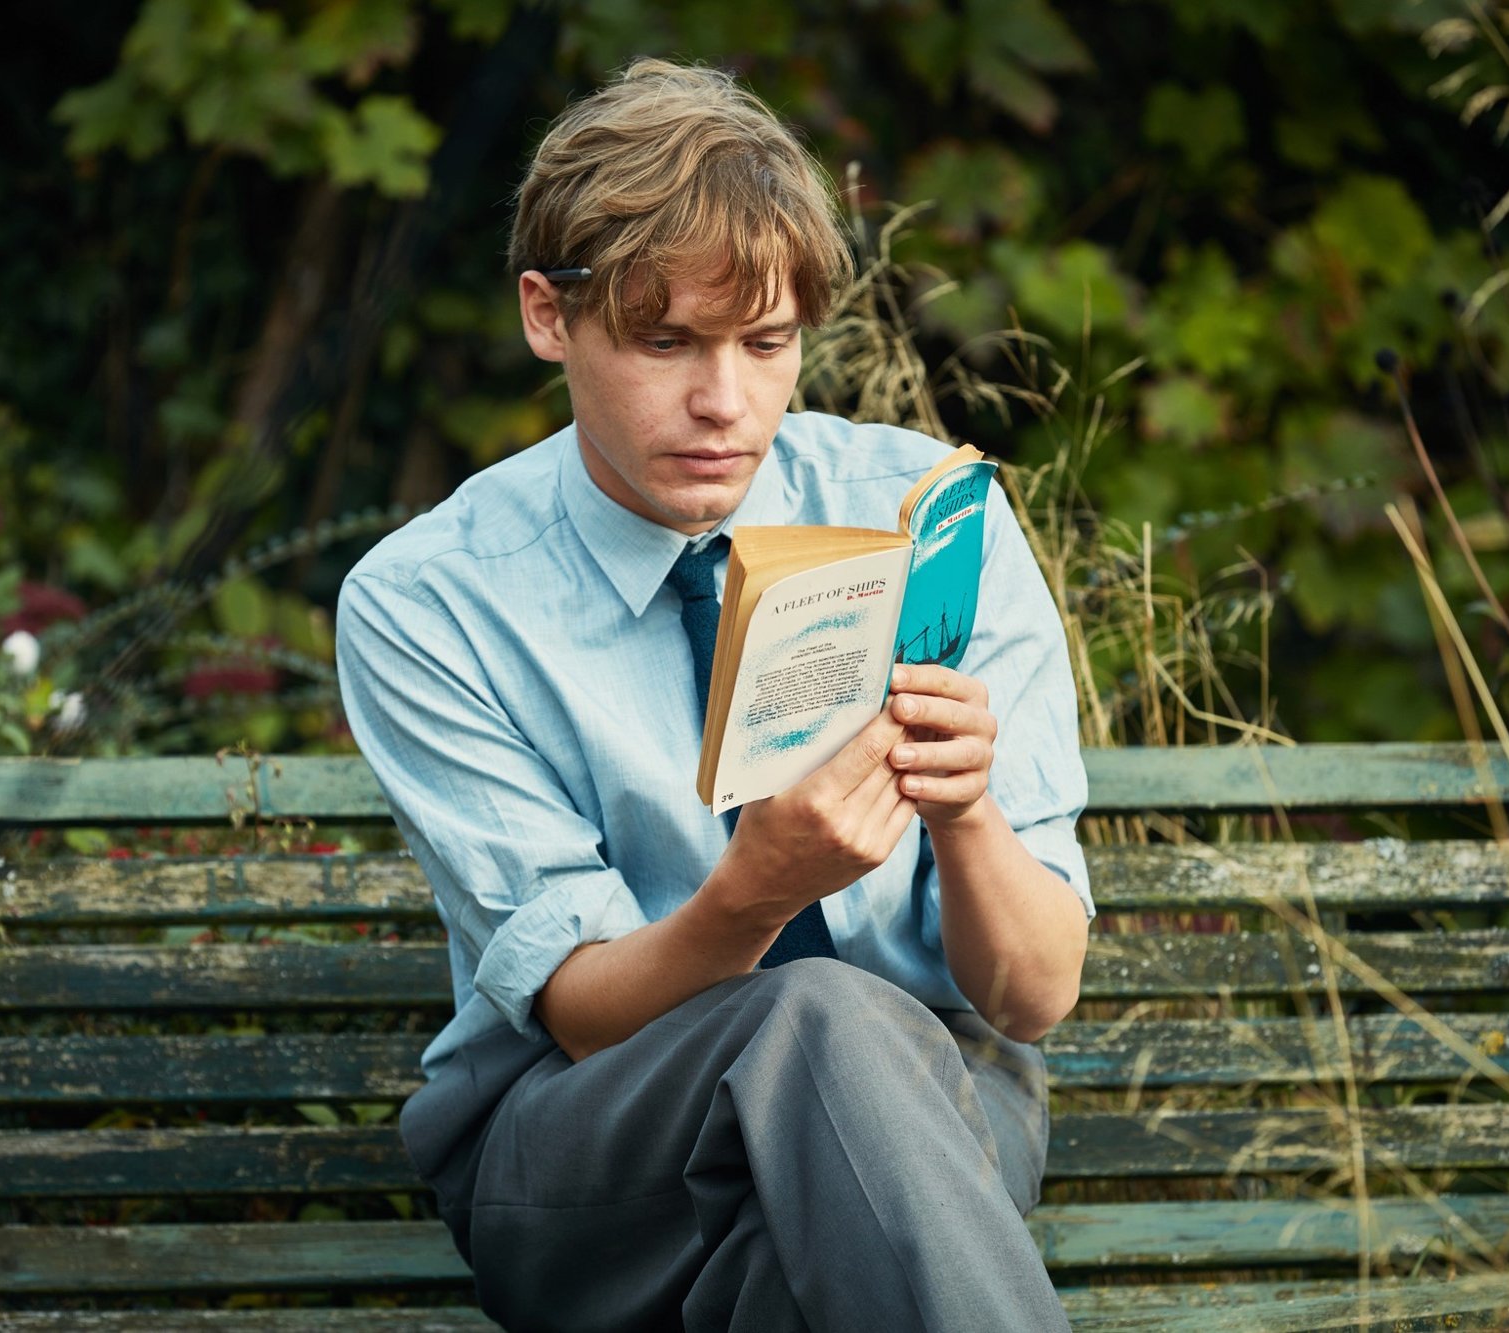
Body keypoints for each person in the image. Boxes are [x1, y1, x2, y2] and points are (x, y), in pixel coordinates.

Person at [336, 57, 1093, 1333]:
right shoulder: (431, 600)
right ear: (544, 314)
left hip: (938, 1126)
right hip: (582, 1158)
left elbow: (1028, 998)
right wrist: (761, 887)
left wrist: (963, 815)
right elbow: (577, 1012)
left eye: (765, 343)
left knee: (801, 1259)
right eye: (664, 341)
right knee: (818, 1015)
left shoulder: (923, 517)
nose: (721, 403)